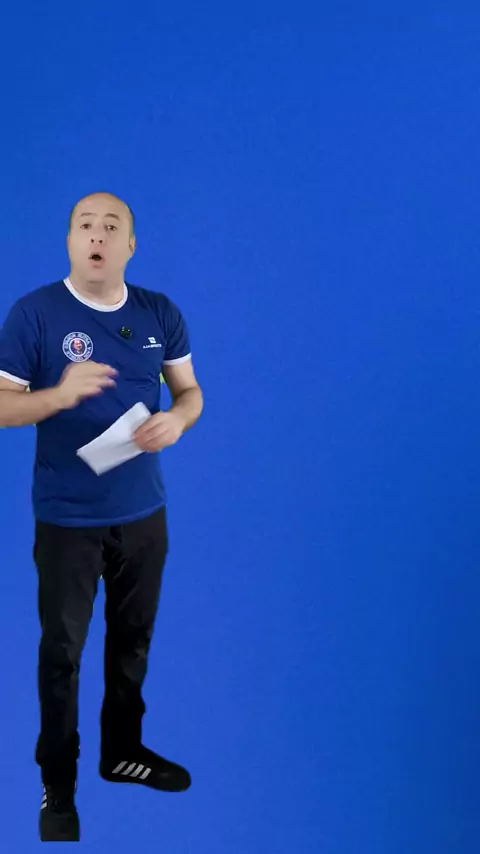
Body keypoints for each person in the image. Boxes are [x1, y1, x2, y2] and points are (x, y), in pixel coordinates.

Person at [0, 192, 204, 842]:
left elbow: (190, 391)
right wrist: (57, 396)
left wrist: (178, 420)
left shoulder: (159, 312)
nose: (97, 235)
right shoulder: (35, 314)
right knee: (63, 654)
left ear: (130, 245)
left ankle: (123, 752)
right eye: (85, 225)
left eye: (111, 227)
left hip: (144, 514)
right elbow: (1, 405)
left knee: (132, 640)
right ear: (69, 241)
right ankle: (58, 787)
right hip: (68, 519)